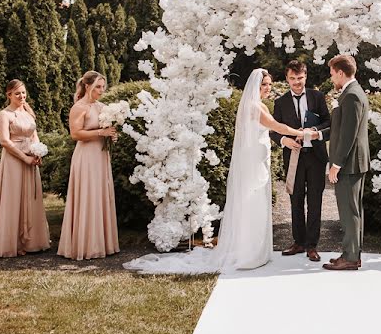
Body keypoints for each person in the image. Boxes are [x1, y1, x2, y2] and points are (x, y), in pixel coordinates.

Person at [123, 69, 303, 274]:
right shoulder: (253, 107)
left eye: (270, 84)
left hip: (259, 159)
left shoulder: (259, 105)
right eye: (264, 85)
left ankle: (257, 250)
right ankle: (248, 252)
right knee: (251, 201)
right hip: (252, 161)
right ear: (255, 86)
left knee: (257, 201)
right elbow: (275, 125)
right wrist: (300, 132)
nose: (268, 88)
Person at [313, 54, 370, 271]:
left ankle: (351, 257)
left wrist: (336, 164)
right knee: (352, 211)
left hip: (349, 164)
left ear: (340, 72)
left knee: (349, 211)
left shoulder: (352, 96)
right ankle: (352, 254)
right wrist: (317, 135)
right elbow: (340, 129)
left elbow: (349, 135)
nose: (331, 78)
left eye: (331, 73)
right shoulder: (350, 93)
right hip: (353, 162)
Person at [270, 60, 331, 262]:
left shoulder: (317, 96)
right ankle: (298, 242)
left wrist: (313, 131)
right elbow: (273, 130)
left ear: (306, 76)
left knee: (315, 202)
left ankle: (312, 246)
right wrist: (283, 140)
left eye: (300, 78)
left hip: (316, 157)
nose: (297, 82)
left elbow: (328, 123)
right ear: (287, 79)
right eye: (293, 78)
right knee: (295, 200)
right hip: (293, 158)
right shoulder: (280, 102)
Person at [0, 79, 50, 257]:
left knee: (30, 198)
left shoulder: (28, 112)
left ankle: (30, 241)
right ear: (9, 95)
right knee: (14, 199)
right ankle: (13, 242)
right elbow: (4, 141)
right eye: (17, 93)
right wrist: (24, 158)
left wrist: (37, 153)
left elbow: (34, 135)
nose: (21, 96)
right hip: (14, 160)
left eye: (24, 93)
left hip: (30, 159)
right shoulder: (5, 114)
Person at [58, 71, 121, 260]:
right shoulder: (79, 107)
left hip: (101, 157)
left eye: (103, 87)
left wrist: (111, 135)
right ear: (87, 86)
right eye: (97, 87)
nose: (101, 91)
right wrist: (101, 132)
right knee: (87, 195)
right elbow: (76, 134)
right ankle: (85, 245)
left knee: (100, 195)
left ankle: (102, 243)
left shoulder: (103, 107)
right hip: (86, 156)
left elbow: (105, 130)